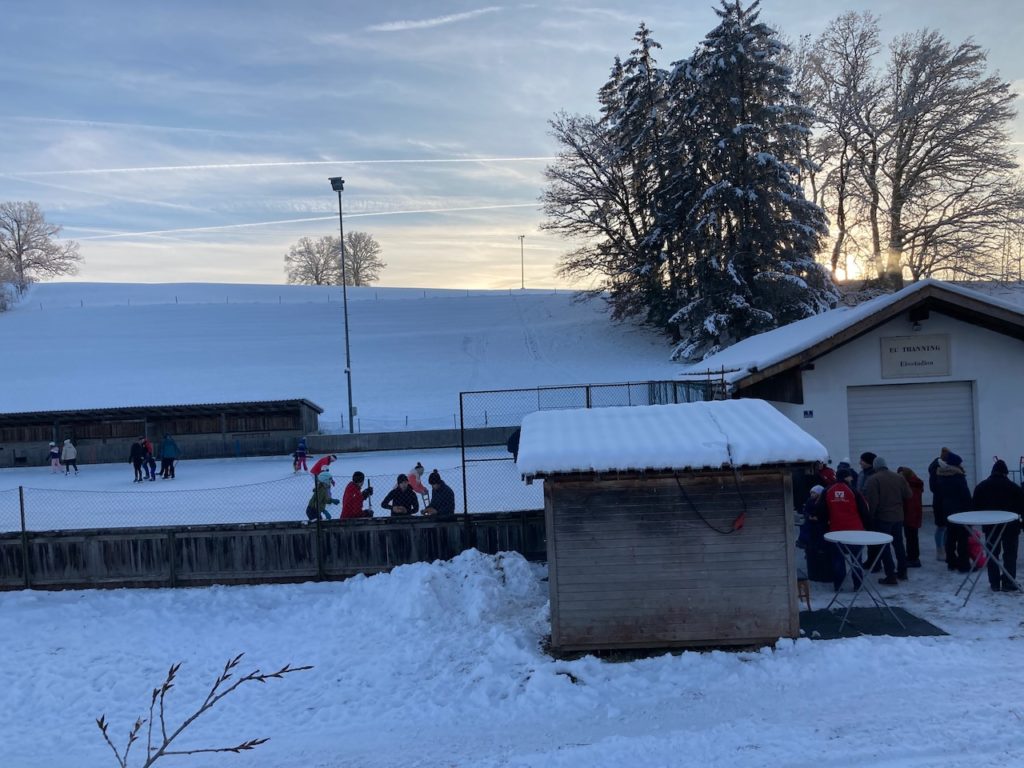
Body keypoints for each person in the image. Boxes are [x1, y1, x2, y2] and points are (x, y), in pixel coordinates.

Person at [971, 458, 1024, 592]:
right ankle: (1008, 582)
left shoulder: (981, 487)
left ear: (992, 472)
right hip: (1011, 527)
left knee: (992, 553)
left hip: (991, 526)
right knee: (1010, 554)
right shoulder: (1014, 488)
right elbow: (1022, 508)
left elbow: (975, 507)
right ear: (1005, 473)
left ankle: (994, 583)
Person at [815, 468, 868, 592]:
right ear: (846, 477)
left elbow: (820, 510)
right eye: (850, 477)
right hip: (855, 530)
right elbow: (864, 510)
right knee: (856, 558)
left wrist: (824, 524)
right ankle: (857, 584)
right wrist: (867, 525)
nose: (852, 478)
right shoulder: (853, 491)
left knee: (838, 559)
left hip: (836, 530)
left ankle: (839, 585)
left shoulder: (828, 490)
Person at [863, 456, 911, 585]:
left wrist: (870, 517)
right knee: (899, 545)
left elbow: (872, 502)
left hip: (883, 518)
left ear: (875, 466)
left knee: (884, 547)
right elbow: (908, 494)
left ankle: (890, 576)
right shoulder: (899, 477)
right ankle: (902, 572)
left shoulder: (873, 479)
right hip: (898, 517)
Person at [935, 451, 972, 573]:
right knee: (962, 539)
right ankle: (964, 565)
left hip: (947, 512)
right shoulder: (959, 478)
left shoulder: (941, 477)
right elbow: (965, 496)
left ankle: (951, 562)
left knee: (950, 538)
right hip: (961, 512)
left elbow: (938, 497)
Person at [797, 485, 832, 583]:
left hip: (819, 527)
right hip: (811, 526)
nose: (812, 495)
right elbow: (806, 512)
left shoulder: (822, 502)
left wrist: (818, 519)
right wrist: (809, 517)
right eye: (811, 493)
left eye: (814, 493)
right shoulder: (809, 501)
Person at [897, 466, 925, 567]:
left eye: (901, 474)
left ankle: (913, 559)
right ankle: (912, 557)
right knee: (911, 537)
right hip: (913, 514)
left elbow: (910, 503)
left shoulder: (911, 486)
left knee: (911, 538)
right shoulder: (915, 483)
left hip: (911, 515)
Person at [928, 447, 951, 561]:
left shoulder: (947, 467)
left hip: (947, 501)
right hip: (939, 502)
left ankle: (947, 549)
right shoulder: (935, 468)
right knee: (941, 526)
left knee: (947, 527)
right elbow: (933, 487)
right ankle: (940, 550)